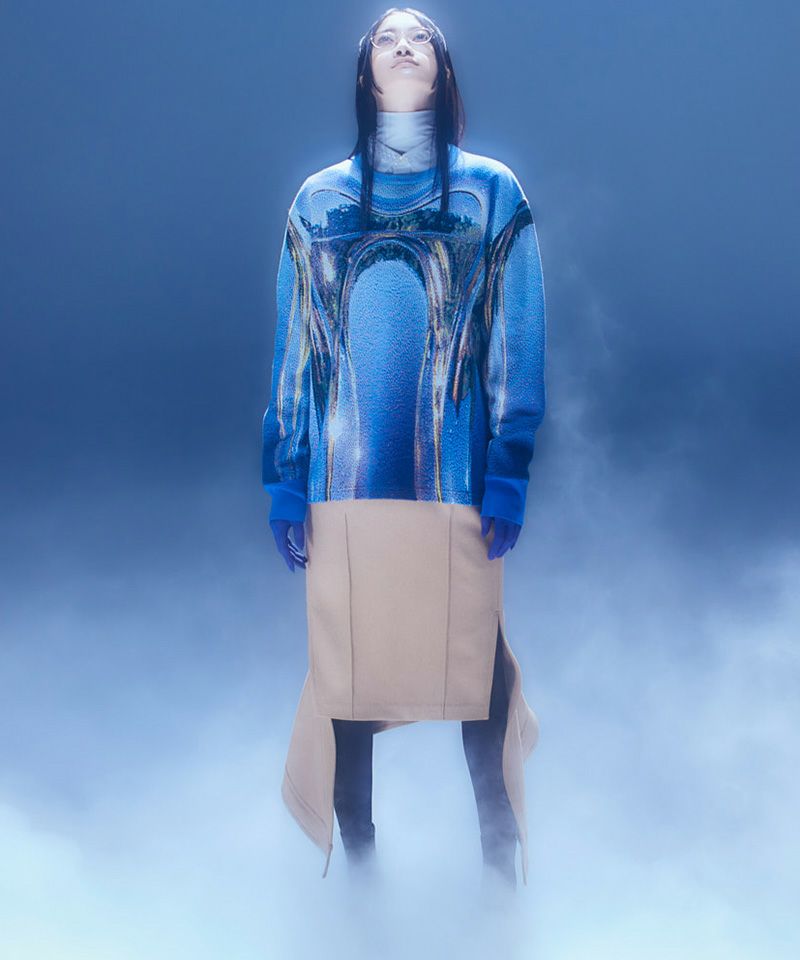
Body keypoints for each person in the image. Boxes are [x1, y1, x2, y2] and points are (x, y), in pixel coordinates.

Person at [261, 7, 546, 894]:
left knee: (477, 689)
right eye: (385, 37)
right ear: (364, 72)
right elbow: (296, 351)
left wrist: (509, 468)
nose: (403, 45)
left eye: (421, 35)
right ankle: (362, 892)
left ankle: (501, 890)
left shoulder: (490, 195)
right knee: (348, 690)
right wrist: (283, 477)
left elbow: (516, 340)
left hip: (455, 485)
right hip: (342, 489)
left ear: (443, 69)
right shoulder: (318, 203)